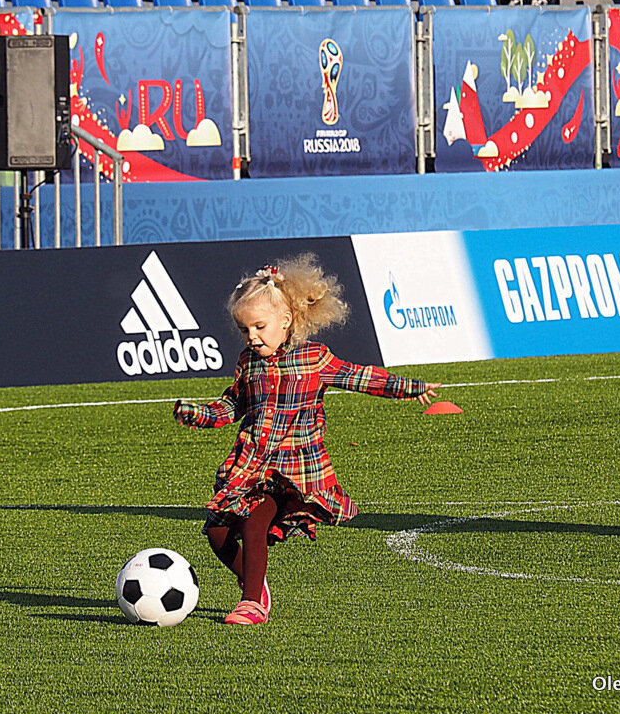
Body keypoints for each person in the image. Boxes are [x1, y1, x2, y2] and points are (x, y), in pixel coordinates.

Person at [173, 254, 441, 625]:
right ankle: (253, 583)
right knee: (217, 533)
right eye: (245, 330)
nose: (253, 337)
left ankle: (252, 603)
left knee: (254, 522)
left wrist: (408, 388)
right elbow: (231, 405)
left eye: (260, 327)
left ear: (286, 321)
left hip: (295, 469)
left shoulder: (314, 358)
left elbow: (360, 377)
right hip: (251, 464)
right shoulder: (248, 362)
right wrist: (199, 414)